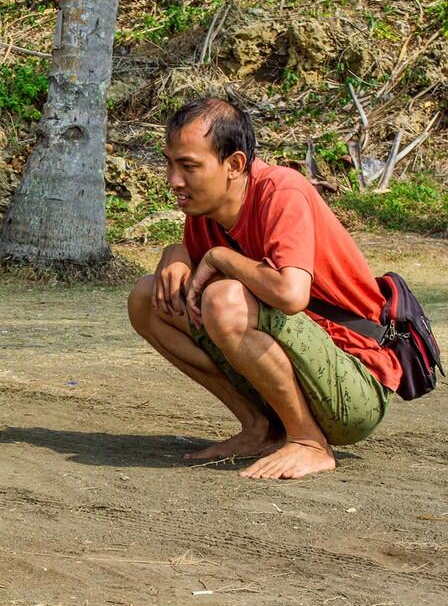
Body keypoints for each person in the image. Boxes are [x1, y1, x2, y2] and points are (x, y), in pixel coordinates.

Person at [128, 97, 401, 480]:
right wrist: (175, 254)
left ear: (235, 164)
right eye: (170, 163)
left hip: (353, 388)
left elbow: (291, 295)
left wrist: (221, 257)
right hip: (293, 375)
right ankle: (261, 428)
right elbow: (193, 271)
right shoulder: (206, 209)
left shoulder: (281, 191)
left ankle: (309, 442)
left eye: (188, 166)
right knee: (146, 298)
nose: (174, 179)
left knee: (224, 300)